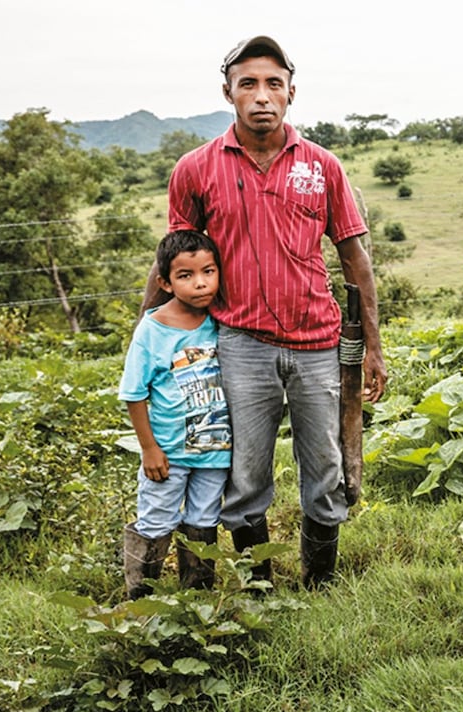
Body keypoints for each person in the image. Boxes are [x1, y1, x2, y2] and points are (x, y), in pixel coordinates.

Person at [142, 36, 387, 590]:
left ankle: (320, 584)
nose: (261, 96)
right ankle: (260, 589)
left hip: (319, 345)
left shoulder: (321, 166)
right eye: (248, 83)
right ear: (227, 92)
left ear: (291, 94)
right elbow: (174, 260)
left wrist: (372, 348)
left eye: (273, 84)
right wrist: (146, 339)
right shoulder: (195, 169)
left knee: (324, 470)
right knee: (245, 474)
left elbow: (355, 259)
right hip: (239, 346)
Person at [120, 230, 230, 599]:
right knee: (155, 522)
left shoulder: (223, 322)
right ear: (165, 282)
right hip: (168, 454)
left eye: (208, 271)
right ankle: (142, 602)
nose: (200, 283)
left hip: (215, 452)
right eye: (186, 276)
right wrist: (149, 449)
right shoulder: (152, 330)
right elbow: (134, 394)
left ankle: (196, 601)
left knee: (203, 522)